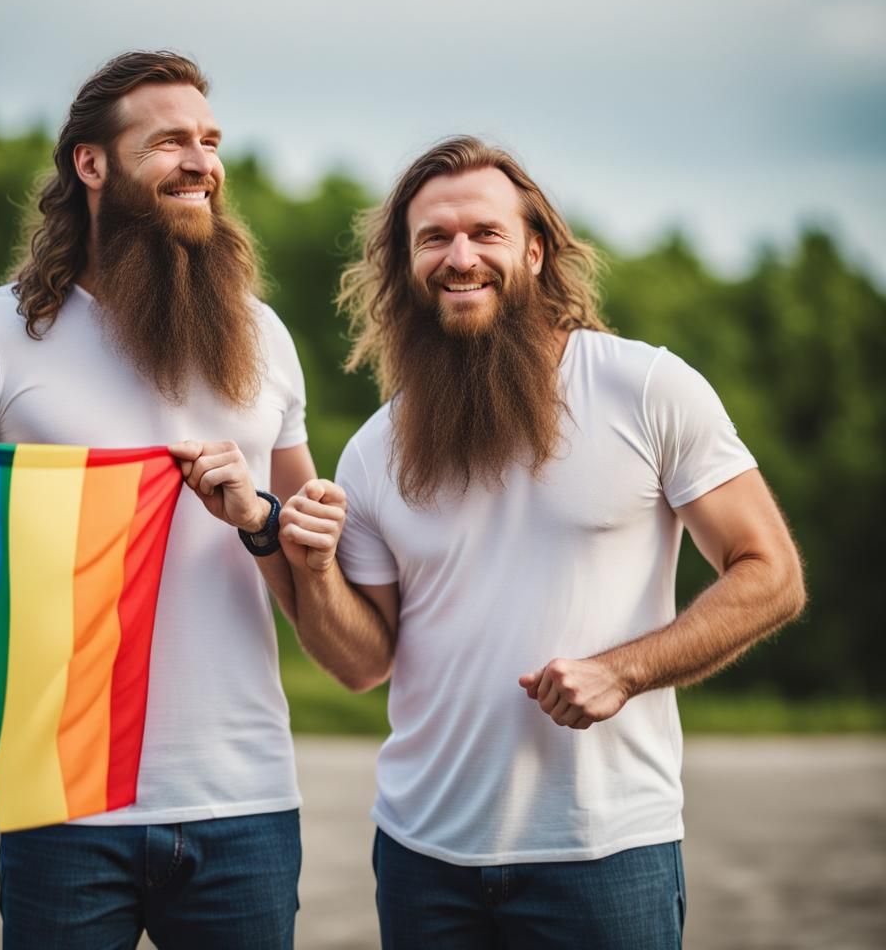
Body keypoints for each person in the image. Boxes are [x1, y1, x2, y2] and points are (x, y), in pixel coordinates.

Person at [282, 137, 807, 948]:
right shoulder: (374, 450)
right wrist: (312, 570)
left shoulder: (644, 389)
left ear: (534, 249)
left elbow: (771, 574)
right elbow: (362, 663)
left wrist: (622, 672)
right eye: (434, 239)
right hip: (423, 859)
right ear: (405, 265)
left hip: (605, 853)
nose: (460, 258)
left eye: (485, 234)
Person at [0, 50, 335, 949]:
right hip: (60, 800)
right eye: (169, 142)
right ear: (92, 163)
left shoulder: (264, 336)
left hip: (246, 801)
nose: (202, 162)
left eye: (211, 140)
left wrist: (270, 521)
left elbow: (311, 556)